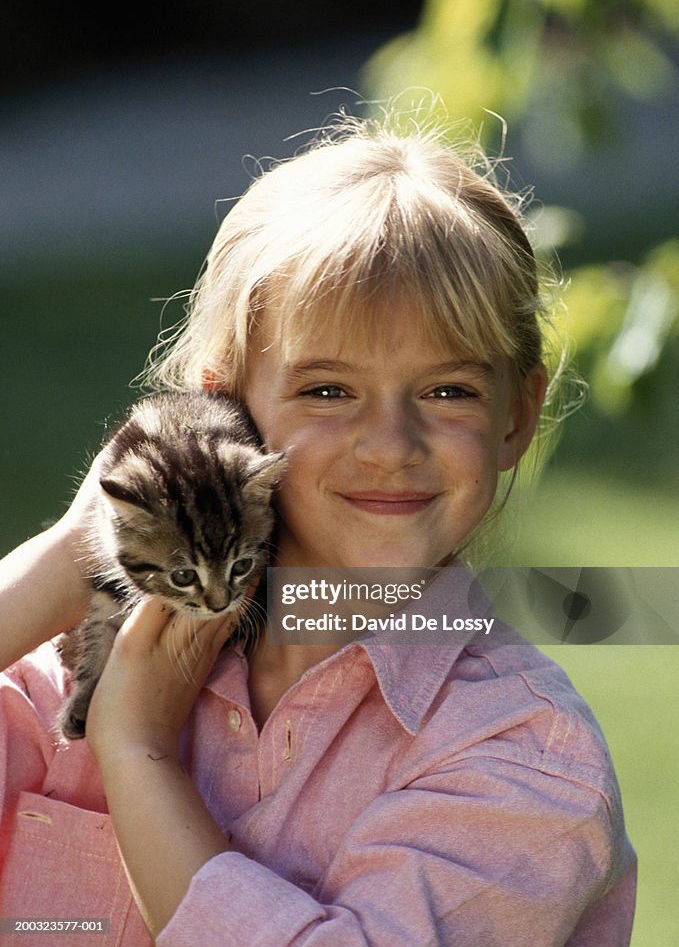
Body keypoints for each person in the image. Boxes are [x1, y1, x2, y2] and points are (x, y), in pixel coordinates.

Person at [0, 106, 636, 945]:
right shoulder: (63, 669)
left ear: (516, 416)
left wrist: (139, 753)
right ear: (221, 406)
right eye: (327, 390)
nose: (389, 447)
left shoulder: (522, 755)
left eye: (448, 391)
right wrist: (63, 558)